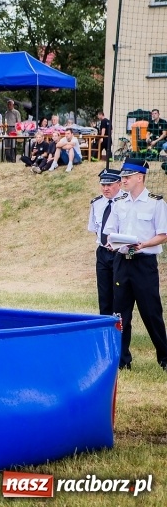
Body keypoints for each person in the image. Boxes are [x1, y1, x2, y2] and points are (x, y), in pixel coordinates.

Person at [103, 158, 167, 371]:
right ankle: (122, 360)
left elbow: (163, 234)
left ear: (140, 177)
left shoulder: (156, 203)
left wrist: (144, 244)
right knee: (121, 313)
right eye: (122, 177)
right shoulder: (119, 202)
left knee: (151, 313)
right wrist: (112, 242)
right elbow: (110, 231)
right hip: (122, 262)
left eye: (127, 177)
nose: (123, 180)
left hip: (143, 263)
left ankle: (164, 357)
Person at [87, 169, 124, 317]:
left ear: (119, 184)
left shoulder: (126, 202)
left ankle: (119, 324)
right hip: (103, 252)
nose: (105, 188)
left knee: (119, 293)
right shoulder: (97, 203)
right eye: (103, 185)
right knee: (104, 292)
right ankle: (104, 323)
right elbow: (95, 228)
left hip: (120, 252)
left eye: (109, 185)